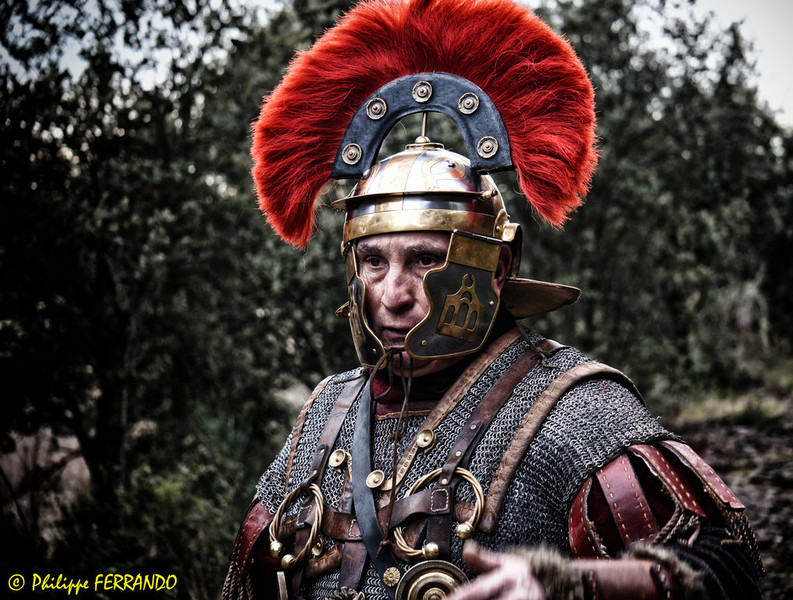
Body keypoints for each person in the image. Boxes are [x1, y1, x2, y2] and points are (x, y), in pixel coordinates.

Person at [223, 0, 763, 599]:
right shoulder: (326, 412)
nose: (393, 295)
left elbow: (725, 569)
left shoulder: (572, 410)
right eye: (374, 261)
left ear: (499, 266)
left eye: (426, 259)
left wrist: (569, 585)